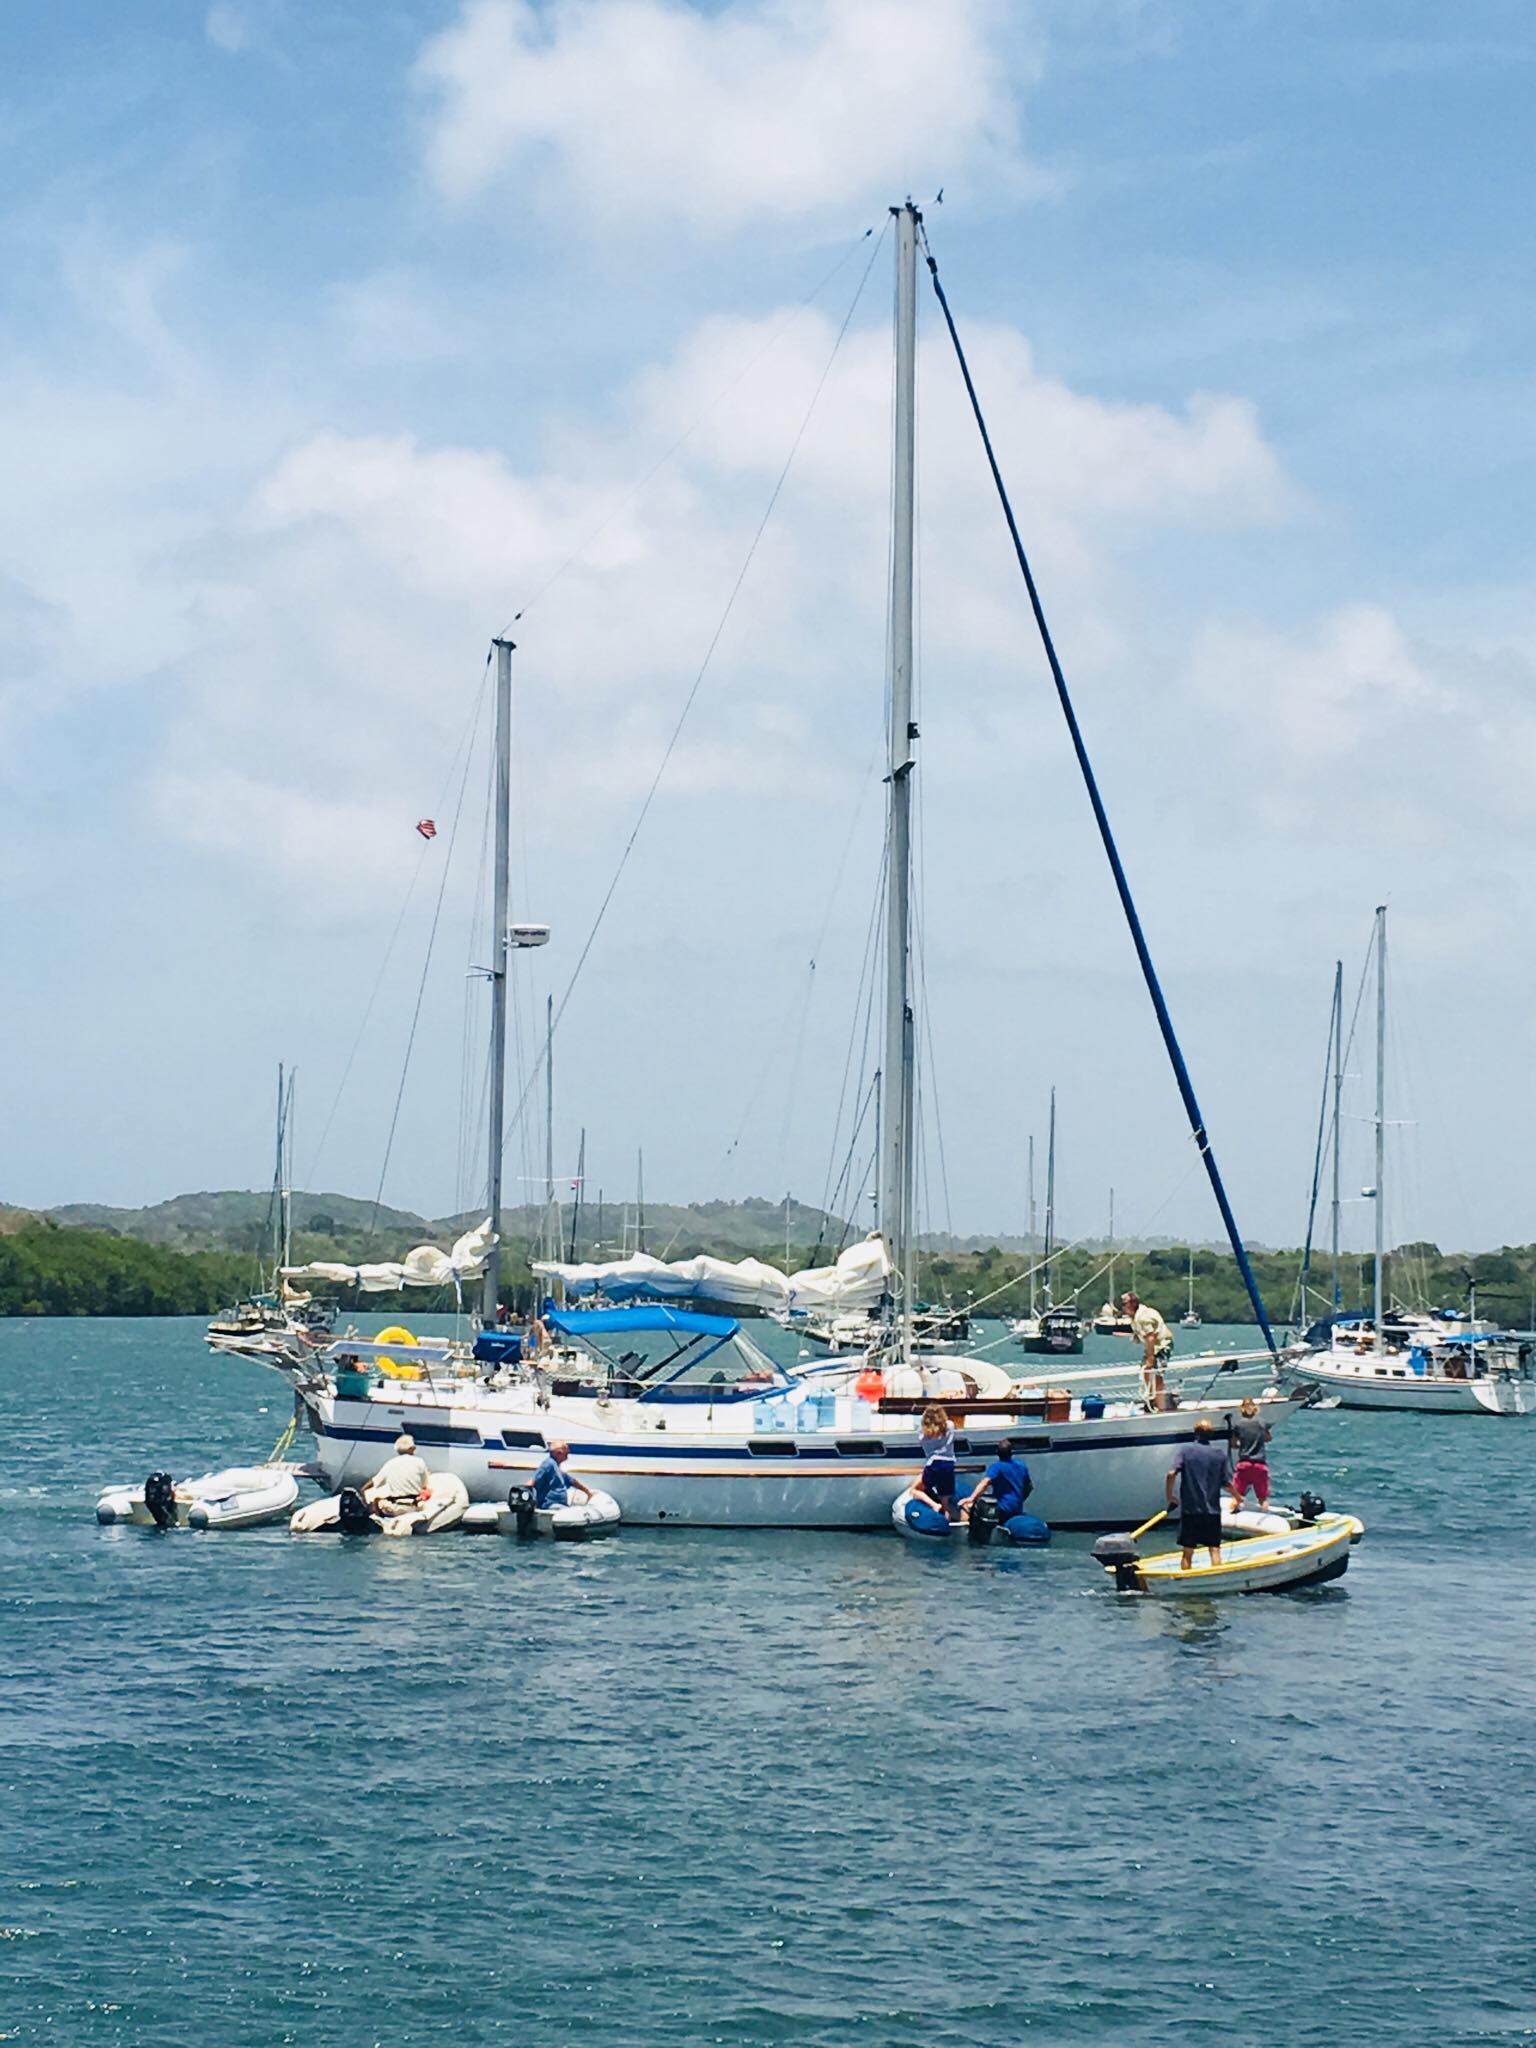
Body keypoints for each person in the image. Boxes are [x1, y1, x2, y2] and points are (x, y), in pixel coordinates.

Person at [1165, 1416, 1233, 1569]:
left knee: (1188, 1551)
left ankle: (1185, 1583)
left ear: (1195, 1433)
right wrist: (1238, 1497)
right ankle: (1216, 1579)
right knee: (1214, 1549)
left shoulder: (1185, 1451)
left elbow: (1171, 1474)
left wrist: (1170, 1496)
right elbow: (1226, 1483)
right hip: (1212, 1511)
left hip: (1190, 1510)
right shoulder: (1219, 1455)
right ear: (1211, 1434)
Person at [961, 1437, 1032, 1522]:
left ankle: (968, 1532)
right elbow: (1029, 1487)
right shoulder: (1021, 1466)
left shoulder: (997, 1467)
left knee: (967, 1506)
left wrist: (971, 1498)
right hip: (1017, 1508)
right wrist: (1019, 1499)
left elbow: (985, 1483)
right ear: (1011, 1453)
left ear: (997, 1453)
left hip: (1002, 1508)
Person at [1124, 1291, 1173, 1410]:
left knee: (1157, 1375)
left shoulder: (1143, 1317)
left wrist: (1150, 1358)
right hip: (1152, 1347)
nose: (1123, 1306)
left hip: (1162, 1346)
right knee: (1146, 1372)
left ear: (1132, 1303)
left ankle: (1160, 1406)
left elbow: (1151, 1337)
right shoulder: (1135, 1317)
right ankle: (1151, 1400)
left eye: (1125, 1303)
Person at [909, 1403, 958, 1519]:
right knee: (945, 1503)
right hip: (949, 1464)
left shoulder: (923, 1433)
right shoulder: (950, 1426)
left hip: (934, 1464)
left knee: (914, 1490)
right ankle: (946, 1525)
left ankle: (934, 1505)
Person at [364, 1434, 429, 1511]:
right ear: (412, 1448)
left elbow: (375, 1482)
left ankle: (374, 1519)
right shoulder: (420, 1462)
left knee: (376, 1500)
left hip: (396, 1508)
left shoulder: (390, 1463)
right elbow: (424, 1485)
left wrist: (363, 1489)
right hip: (414, 1506)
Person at [1229, 1396, 1272, 1508]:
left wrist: (1242, 1444)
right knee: (1263, 1499)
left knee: (1237, 1496)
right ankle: (1265, 1516)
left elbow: (1233, 1445)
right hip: (1260, 1465)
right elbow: (1268, 1438)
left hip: (1244, 1464)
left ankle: (1234, 1515)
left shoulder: (1238, 1425)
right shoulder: (1262, 1422)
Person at [531, 1439, 593, 1511]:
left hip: (560, 1505)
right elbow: (533, 1481)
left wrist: (587, 1492)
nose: (567, 1456)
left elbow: (573, 1481)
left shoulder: (557, 1468)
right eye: (566, 1453)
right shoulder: (548, 1464)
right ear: (559, 1453)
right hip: (550, 1504)